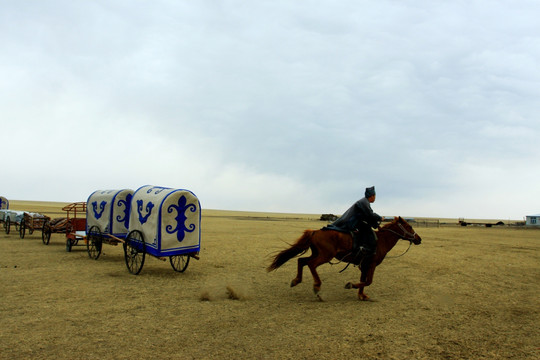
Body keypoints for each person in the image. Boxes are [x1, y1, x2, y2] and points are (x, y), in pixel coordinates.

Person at [327, 186, 382, 257]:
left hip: (354, 221)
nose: (375, 198)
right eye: (375, 196)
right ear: (372, 196)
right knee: (368, 231)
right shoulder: (364, 202)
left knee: (366, 227)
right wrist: (380, 218)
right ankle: (366, 248)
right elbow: (370, 214)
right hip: (351, 222)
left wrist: (376, 225)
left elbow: (367, 216)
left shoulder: (364, 201)